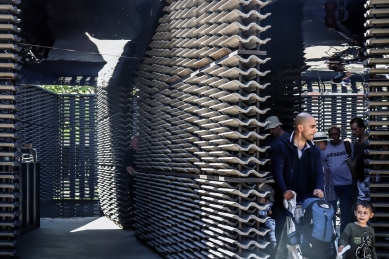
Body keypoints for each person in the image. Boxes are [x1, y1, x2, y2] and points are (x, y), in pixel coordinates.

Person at [271, 112, 324, 244]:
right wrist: (284, 191)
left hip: (307, 203)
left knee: (305, 243)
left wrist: (319, 188)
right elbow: (277, 171)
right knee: (282, 243)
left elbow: (319, 172)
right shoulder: (282, 147)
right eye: (312, 126)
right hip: (285, 204)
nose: (315, 130)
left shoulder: (314, 150)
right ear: (300, 128)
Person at [322, 125, 353, 234]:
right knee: (331, 212)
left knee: (345, 212)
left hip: (346, 184)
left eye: (335, 134)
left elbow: (353, 159)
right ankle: (332, 236)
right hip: (331, 185)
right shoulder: (325, 147)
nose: (333, 136)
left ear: (339, 134)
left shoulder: (347, 145)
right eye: (331, 134)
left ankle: (344, 237)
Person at [312, 132, 337, 225]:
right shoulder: (315, 158)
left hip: (329, 195)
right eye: (325, 142)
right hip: (324, 197)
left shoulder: (320, 156)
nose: (326, 144)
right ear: (319, 143)